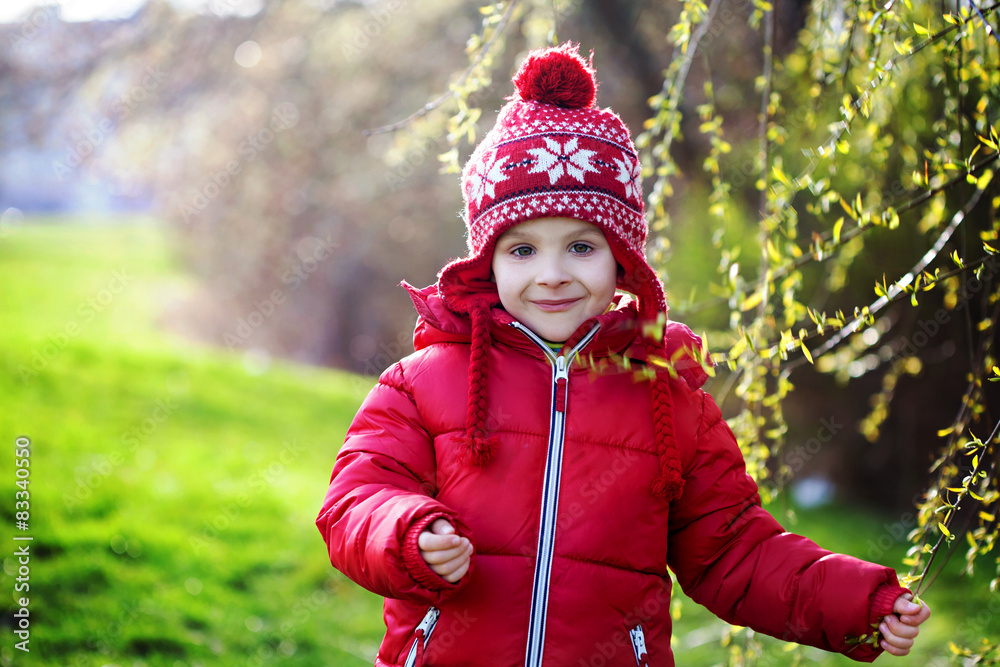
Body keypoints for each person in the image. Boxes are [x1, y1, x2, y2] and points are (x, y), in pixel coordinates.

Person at [316, 42, 931, 667]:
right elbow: (356, 498)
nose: (552, 275)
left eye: (581, 247)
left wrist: (856, 604)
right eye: (522, 250)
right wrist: (406, 530)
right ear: (486, 262)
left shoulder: (668, 399)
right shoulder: (421, 385)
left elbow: (733, 549)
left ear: (623, 261)